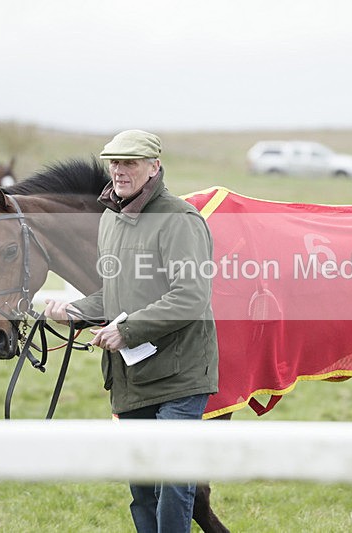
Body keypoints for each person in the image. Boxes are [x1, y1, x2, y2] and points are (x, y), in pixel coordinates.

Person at [44, 129, 219, 533]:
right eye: (114, 163)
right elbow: (115, 293)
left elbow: (191, 296)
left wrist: (128, 330)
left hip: (180, 375)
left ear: (154, 167)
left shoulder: (180, 220)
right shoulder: (110, 218)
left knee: (173, 482)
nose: (119, 171)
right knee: (142, 485)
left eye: (130, 163)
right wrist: (74, 310)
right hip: (130, 375)